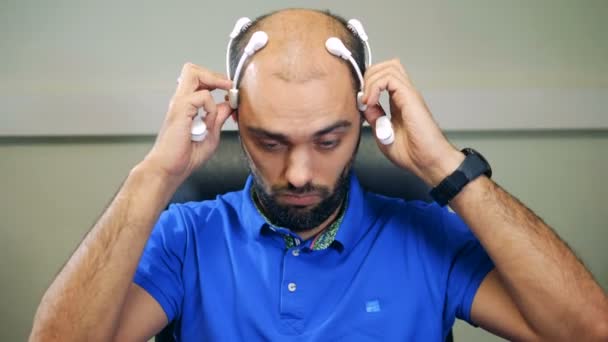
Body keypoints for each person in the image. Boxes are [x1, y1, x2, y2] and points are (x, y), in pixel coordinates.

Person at [30, 8, 607, 342]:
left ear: (365, 118)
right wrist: (156, 173)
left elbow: (588, 332)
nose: (299, 173)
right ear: (234, 121)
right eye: (269, 141)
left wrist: (445, 167)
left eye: (328, 140)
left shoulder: (427, 237)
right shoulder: (186, 239)